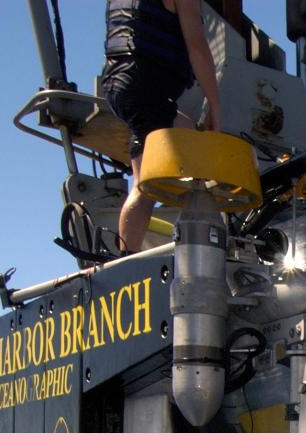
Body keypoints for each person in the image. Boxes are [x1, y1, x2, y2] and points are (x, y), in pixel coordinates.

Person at [101, 0, 223, 254]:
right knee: (148, 183)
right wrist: (214, 106)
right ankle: (126, 258)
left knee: (184, 138)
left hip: (124, 84)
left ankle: (127, 254)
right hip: (146, 83)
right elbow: (197, 47)